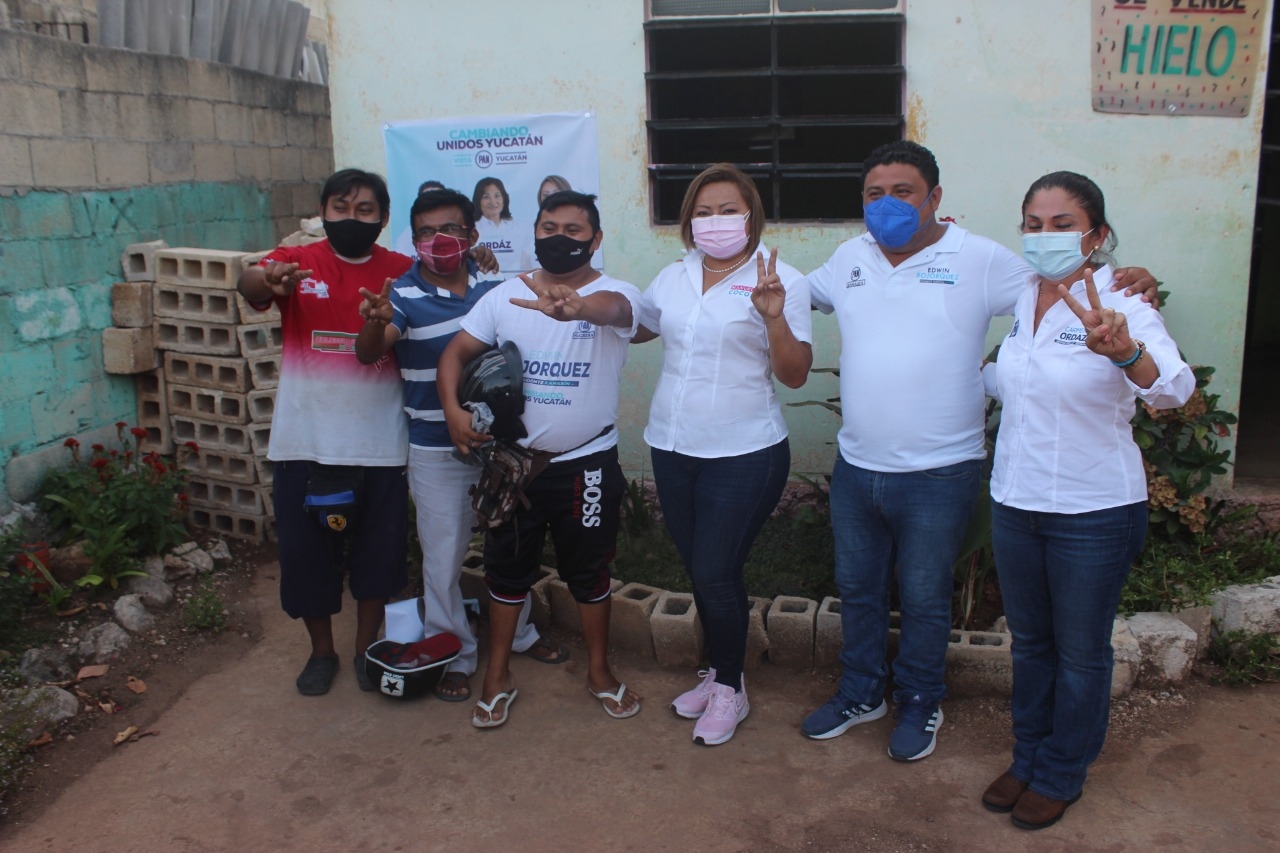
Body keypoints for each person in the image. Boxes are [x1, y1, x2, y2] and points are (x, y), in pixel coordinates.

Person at [802, 141, 1160, 761]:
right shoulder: (847, 259)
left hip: (942, 470)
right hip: (858, 465)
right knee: (858, 589)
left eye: (903, 192)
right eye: (874, 194)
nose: (887, 204)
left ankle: (919, 699)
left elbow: (1071, 283)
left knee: (922, 594)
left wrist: (1132, 277)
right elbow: (787, 293)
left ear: (936, 198)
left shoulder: (984, 260)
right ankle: (862, 692)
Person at [978, 172, 1193, 830]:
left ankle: (1063, 769)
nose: (1045, 237)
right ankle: (1029, 755)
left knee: (1080, 651)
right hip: (1017, 502)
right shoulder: (1020, 295)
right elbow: (1007, 374)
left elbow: (1171, 392)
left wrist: (1126, 351)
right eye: (1033, 224)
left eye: (1062, 223)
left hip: (1093, 511)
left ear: (1096, 234)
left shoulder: (1121, 301)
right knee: (1030, 644)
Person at [437, 190, 643, 728]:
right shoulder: (504, 295)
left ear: (596, 240)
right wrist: (453, 412)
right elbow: (455, 353)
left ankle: (599, 672)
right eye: (549, 227)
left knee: (590, 573)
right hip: (513, 466)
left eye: (574, 230)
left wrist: (579, 307)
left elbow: (621, 314)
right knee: (506, 573)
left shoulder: (616, 292)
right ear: (534, 233)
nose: (559, 238)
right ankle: (496, 675)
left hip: (587, 465)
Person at [354, 188, 568, 704]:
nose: (438, 241)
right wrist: (374, 322)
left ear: (472, 236)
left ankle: (518, 636)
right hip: (435, 449)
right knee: (443, 559)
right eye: (426, 232)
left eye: (449, 230)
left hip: (499, 450)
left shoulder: (493, 290)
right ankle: (454, 652)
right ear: (414, 240)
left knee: (510, 550)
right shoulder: (400, 297)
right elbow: (369, 353)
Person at [634, 164, 812, 746]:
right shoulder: (674, 276)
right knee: (708, 571)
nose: (715, 221)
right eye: (703, 211)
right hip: (673, 444)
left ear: (751, 214)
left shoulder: (782, 279)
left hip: (745, 450)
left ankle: (731, 690)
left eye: (727, 209)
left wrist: (774, 316)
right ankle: (717, 673)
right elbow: (640, 326)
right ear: (688, 220)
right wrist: (589, 303)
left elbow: (794, 374)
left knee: (713, 570)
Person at [236, 168, 412, 696]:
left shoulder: (402, 271)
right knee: (307, 556)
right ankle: (321, 653)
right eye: (341, 207)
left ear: (382, 218)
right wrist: (264, 281)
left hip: (381, 441)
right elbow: (251, 281)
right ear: (323, 212)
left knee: (377, 558)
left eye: (365, 211)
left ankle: (365, 650)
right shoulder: (295, 264)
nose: (352, 218)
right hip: (304, 439)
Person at [473, 177, 532, 273]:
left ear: (504, 198)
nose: (493, 202)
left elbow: (526, 262)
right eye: (486, 197)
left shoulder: (518, 227)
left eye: (497, 196)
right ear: (478, 201)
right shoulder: (473, 229)